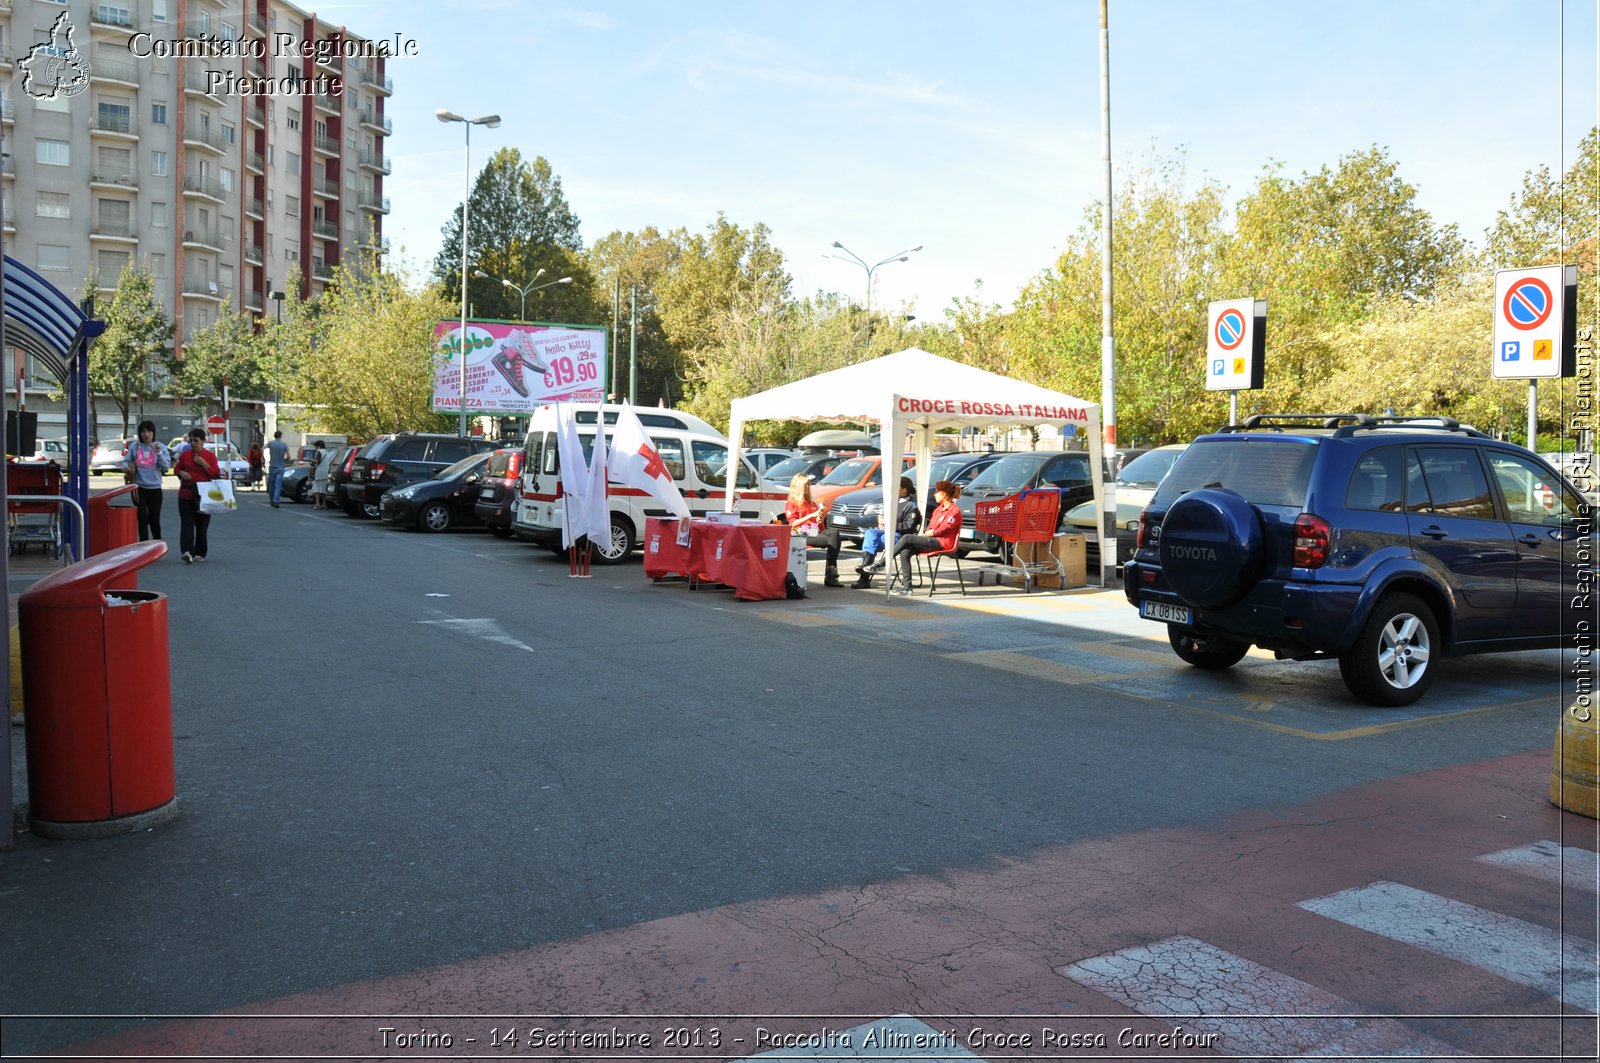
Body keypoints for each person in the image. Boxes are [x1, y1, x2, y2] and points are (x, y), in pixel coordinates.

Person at [879, 479, 964, 595]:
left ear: (944, 494)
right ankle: (907, 588)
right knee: (905, 552)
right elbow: (930, 527)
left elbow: (945, 528)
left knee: (907, 538)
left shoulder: (954, 511)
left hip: (943, 543)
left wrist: (932, 532)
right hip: (932, 540)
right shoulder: (938, 510)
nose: (934, 494)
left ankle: (882, 562)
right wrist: (929, 532)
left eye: (936, 492)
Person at [855, 476, 921, 588]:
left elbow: (908, 527)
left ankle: (864, 577)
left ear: (904, 489)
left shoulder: (911, 506)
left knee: (875, 541)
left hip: (900, 536)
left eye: (896, 487)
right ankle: (866, 564)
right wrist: (881, 523)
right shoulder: (893, 501)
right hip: (887, 532)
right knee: (870, 534)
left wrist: (889, 524)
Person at [784, 473, 845, 587]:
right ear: (799, 486)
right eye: (806, 484)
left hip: (814, 531)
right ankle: (831, 573)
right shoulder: (791, 503)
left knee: (834, 533)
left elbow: (818, 523)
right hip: (801, 533)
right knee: (832, 540)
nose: (808, 486)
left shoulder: (812, 502)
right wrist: (811, 515)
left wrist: (819, 517)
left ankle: (831, 569)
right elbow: (793, 523)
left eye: (809, 484)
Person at [174, 427, 222, 563]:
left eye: (196, 440)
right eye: (191, 441)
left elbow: (216, 474)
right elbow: (177, 468)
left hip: (204, 496)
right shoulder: (185, 455)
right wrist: (180, 473)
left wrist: (204, 464)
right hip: (186, 494)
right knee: (187, 524)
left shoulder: (210, 457)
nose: (193, 443)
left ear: (203, 442)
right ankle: (187, 551)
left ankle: (200, 552)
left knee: (202, 526)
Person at [122, 419, 172, 544]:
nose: (146, 434)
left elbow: (166, 467)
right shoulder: (135, 446)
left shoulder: (160, 447)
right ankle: (143, 546)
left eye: (149, 431)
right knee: (142, 518)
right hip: (138, 488)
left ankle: (157, 544)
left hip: (155, 489)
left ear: (153, 433)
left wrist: (159, 453)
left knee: (154, 519)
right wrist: (126, 468)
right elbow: (125, 461)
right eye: (143, 431)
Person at [265, 430, 289, 507]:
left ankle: (271, 499)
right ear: (280, 436)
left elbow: (262, 449)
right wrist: (284, 460)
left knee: (272, 484)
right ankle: (276, 500)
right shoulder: (284, 444)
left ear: (274, 435)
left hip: (272, 466)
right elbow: (288, 456)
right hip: (281, 466)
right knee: (278, 484)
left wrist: (263, 458)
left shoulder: (271, 443)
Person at [310, 440, 330, 510]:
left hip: (319, 472)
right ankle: (324, 504)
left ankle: (317, 504)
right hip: (325, 472)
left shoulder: (319, 451)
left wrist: (309, 459)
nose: (315, 448)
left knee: (316, 489)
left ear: (318, 446)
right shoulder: (327, 452)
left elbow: (317, 461)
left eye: (315, 447)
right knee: (323, 488)